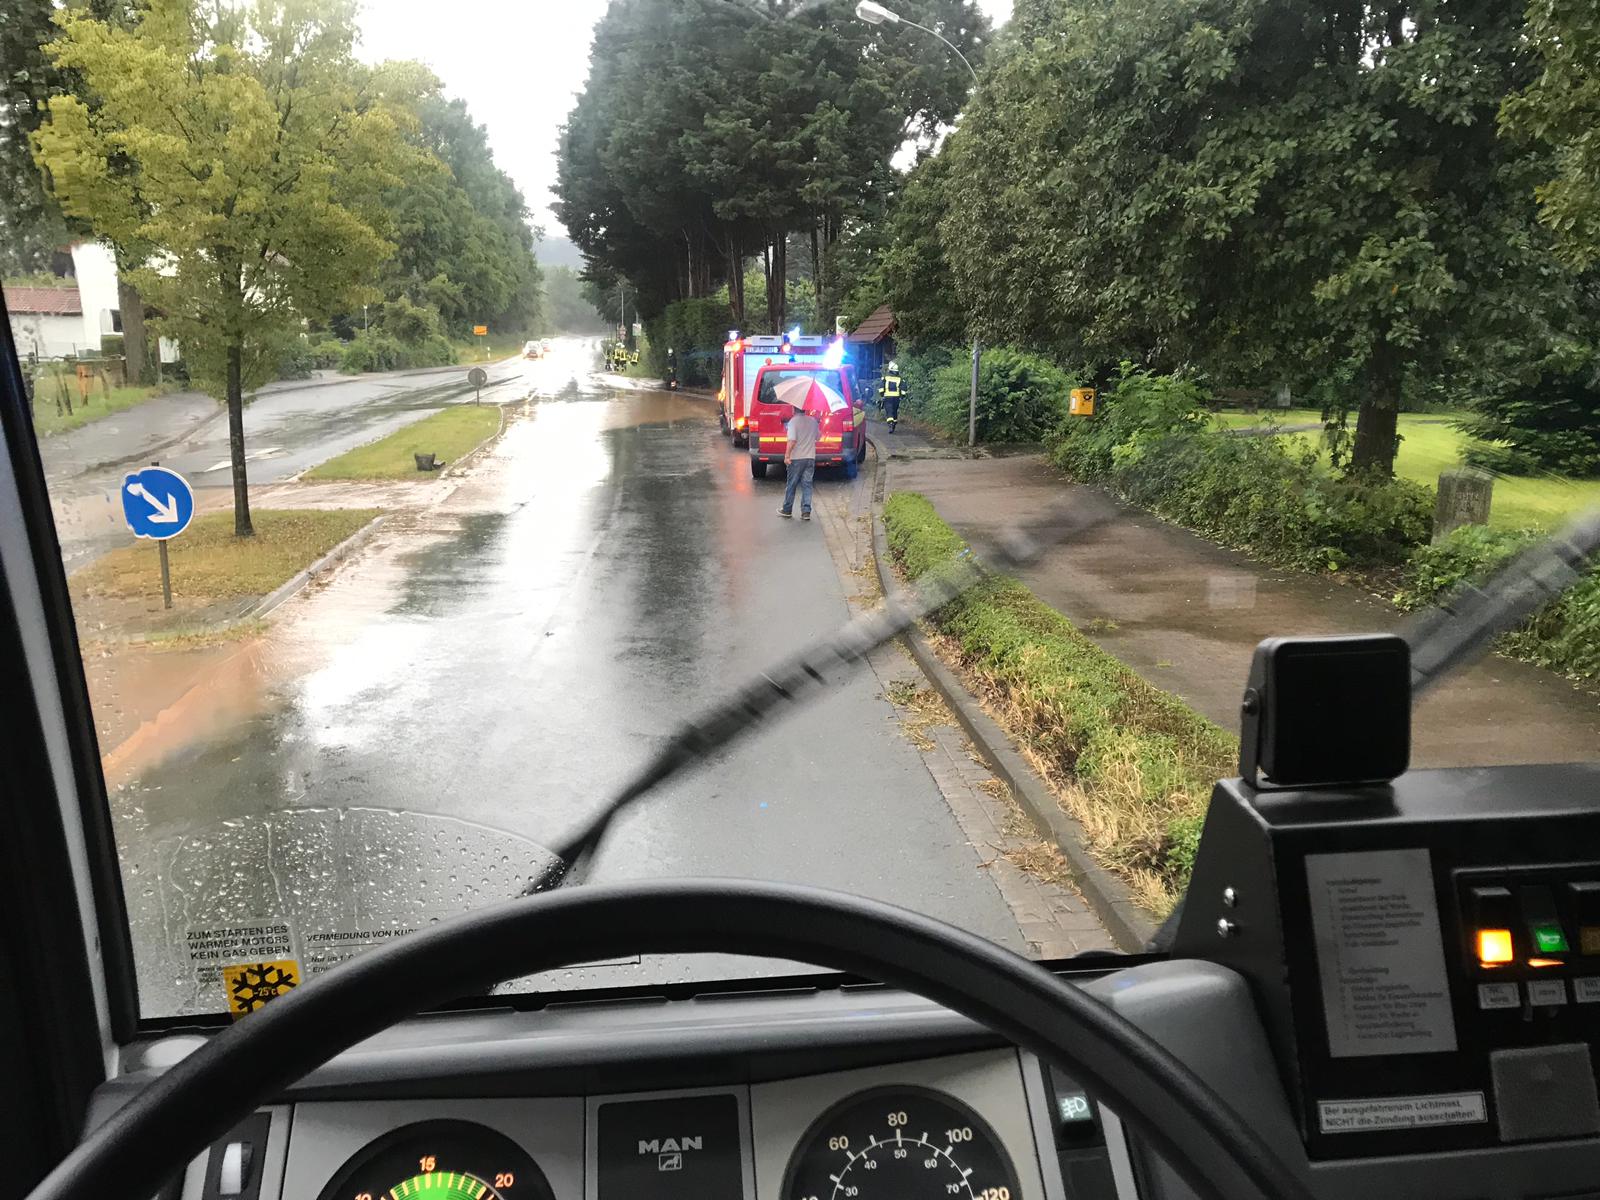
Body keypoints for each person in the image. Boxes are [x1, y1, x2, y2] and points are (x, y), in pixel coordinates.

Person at [778, 402, 820, 521]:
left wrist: (787, 456)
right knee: (807, 485)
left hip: (796, 458)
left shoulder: (793, 422)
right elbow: (818, 437)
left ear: (794, 409)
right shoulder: (813, 421)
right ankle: (806, 511)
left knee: (792, 484)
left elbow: (792, 440)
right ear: (804, 409)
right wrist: (817, 422)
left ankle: (787, 509)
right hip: (810, 457)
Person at [879, 360, 903, 432]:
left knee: (889, 411)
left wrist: (882, 395)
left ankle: (890, 424)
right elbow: (903, 389)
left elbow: (881, 388)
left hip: (888, 398)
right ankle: (894, 423)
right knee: (894, 410)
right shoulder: (899, 379)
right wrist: (902, 396)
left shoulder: (885, 378)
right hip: (896, 398)